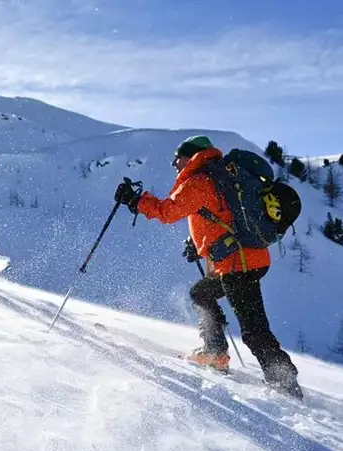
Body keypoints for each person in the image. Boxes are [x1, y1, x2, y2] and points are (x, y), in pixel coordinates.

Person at [114, 135, 303, 399]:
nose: (175, 164)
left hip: (239, 265)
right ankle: (215, 352)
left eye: (177, 159)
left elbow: (167, 212)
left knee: (253, 330)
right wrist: (199, 243)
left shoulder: (199, 180)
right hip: (244, 260)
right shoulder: (219, 175)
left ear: (191, 156)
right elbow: (219, 215)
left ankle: (284, 383)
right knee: (201, 294)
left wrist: (135, 201)